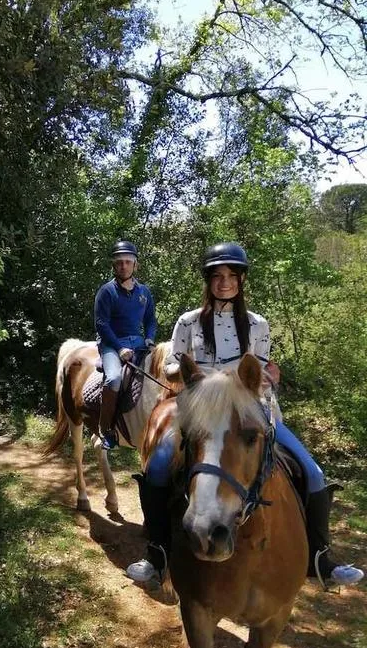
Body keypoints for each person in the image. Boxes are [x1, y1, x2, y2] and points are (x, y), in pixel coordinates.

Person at [126, 242, 364, 588]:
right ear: (208, 280)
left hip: (248, 411)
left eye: (232, 276)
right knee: (159, 467)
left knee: (312, 471)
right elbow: (171, 365)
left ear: (241, 280)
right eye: (217, 276)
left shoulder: (257, 324)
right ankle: (157, 554)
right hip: (202, 411)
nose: (224, 282)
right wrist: (192, 372)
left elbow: (261, 369)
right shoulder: (188, 321)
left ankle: (320, 558)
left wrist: (268, 375)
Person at [94, 240, 158, 450]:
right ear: (114, 265)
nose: (124, 266)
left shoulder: (144, 292)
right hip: (111, 344)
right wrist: (119, 348)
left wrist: (149, 338)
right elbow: (101, 324)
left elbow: (150, 320)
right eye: (119, 262)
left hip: (138, 343)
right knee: (114, 378)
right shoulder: (106, 291)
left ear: (135, 264)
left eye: (128, 262)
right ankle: (106, 430)